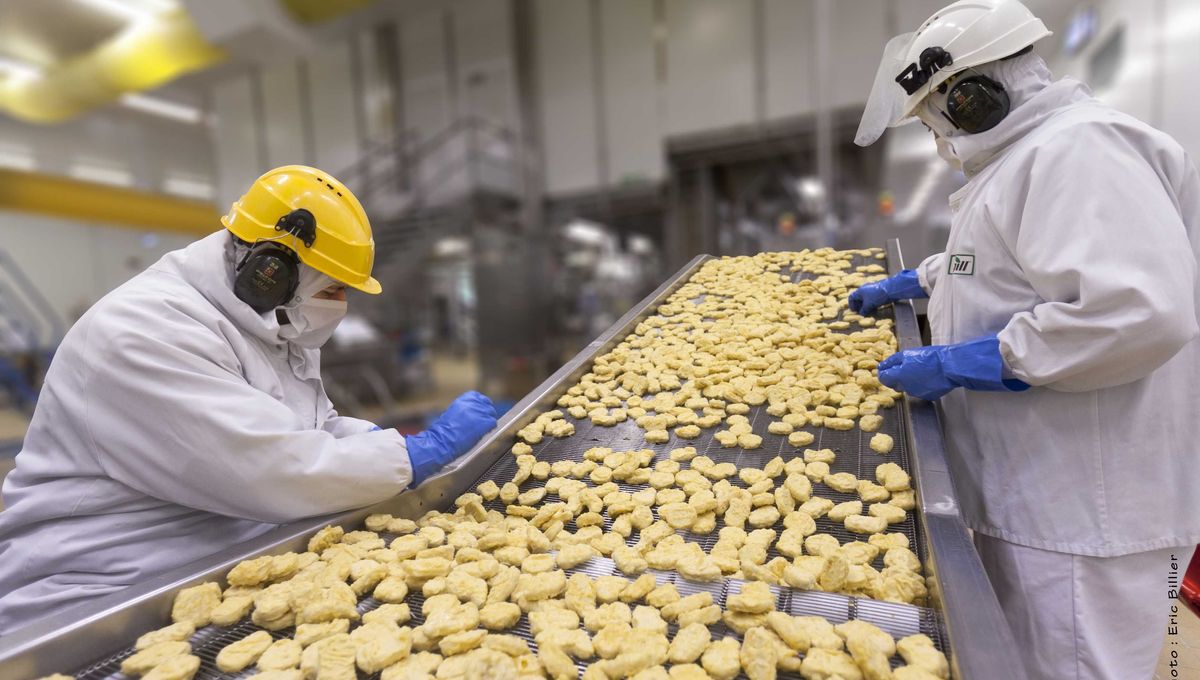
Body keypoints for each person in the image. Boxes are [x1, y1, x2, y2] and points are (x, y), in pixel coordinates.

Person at [853, 2, 1200, 678]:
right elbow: (986, 263)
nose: (938, 140)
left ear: (971, 97)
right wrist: (919, 280)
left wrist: (977, 360)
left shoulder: (1079, 151)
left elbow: (1140, 312)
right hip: (1040, 495)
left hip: (1085, 508)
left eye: (934, 119)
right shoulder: (1023, 162)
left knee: (1065, 665)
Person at [0, 165, 498, 635]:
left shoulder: (268, 325)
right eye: (334, 290)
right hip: (96, 597)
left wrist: (390, 442)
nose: (339, 306)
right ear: (270, 269)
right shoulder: (141, 331)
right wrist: (414, 454)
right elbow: (270, 467)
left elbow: (312, 430)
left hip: (204, 563)